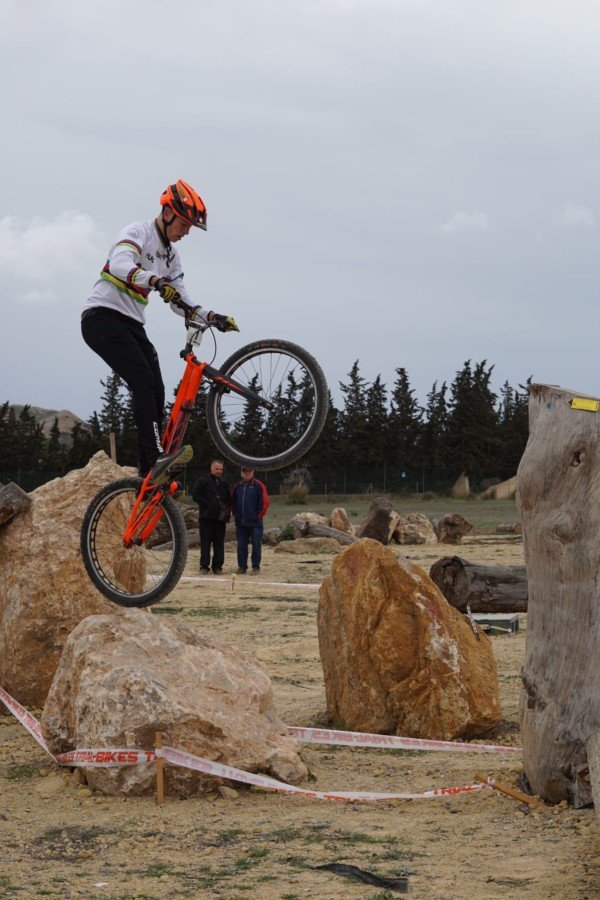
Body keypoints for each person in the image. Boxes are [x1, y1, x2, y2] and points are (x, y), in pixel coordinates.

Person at [81, 179, 238, 480]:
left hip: (132, 324)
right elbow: (119, 264)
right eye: (184, 224)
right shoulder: (137, 232)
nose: (187, 232)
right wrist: (153, 281)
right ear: (167, 214)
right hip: (101, 317)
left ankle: (147, 471)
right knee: (142, 380)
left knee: (157, 388)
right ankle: (155, 458)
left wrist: (211, 316)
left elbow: (181, 300)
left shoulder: (172, 257)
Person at [191, 459, 231, 575]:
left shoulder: (224, 483)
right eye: (217, 468)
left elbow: (228, 499)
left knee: (219, 544)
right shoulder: (203, 480)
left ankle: (217, 567)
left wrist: (226, 511)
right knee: (205, 543)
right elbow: (195, 495)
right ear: (211, 468)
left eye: (221, 469)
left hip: (220, 520)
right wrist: (207, 505)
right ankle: (204, 566)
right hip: (206, 519)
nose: (219, 471)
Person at [231, 467, 270, 575]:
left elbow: (265, 502)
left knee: (256, 545)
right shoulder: (237, 487)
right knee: (241, 546)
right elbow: (233, 502)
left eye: (249, 471)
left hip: (255, 523)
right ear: (241, 473)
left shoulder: (258, 485)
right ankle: (242, 567)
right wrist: (235, 514)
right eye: (245, 471)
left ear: (253, 472)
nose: (247, 473)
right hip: (241, 523)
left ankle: (256, 567)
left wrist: (258, 516)